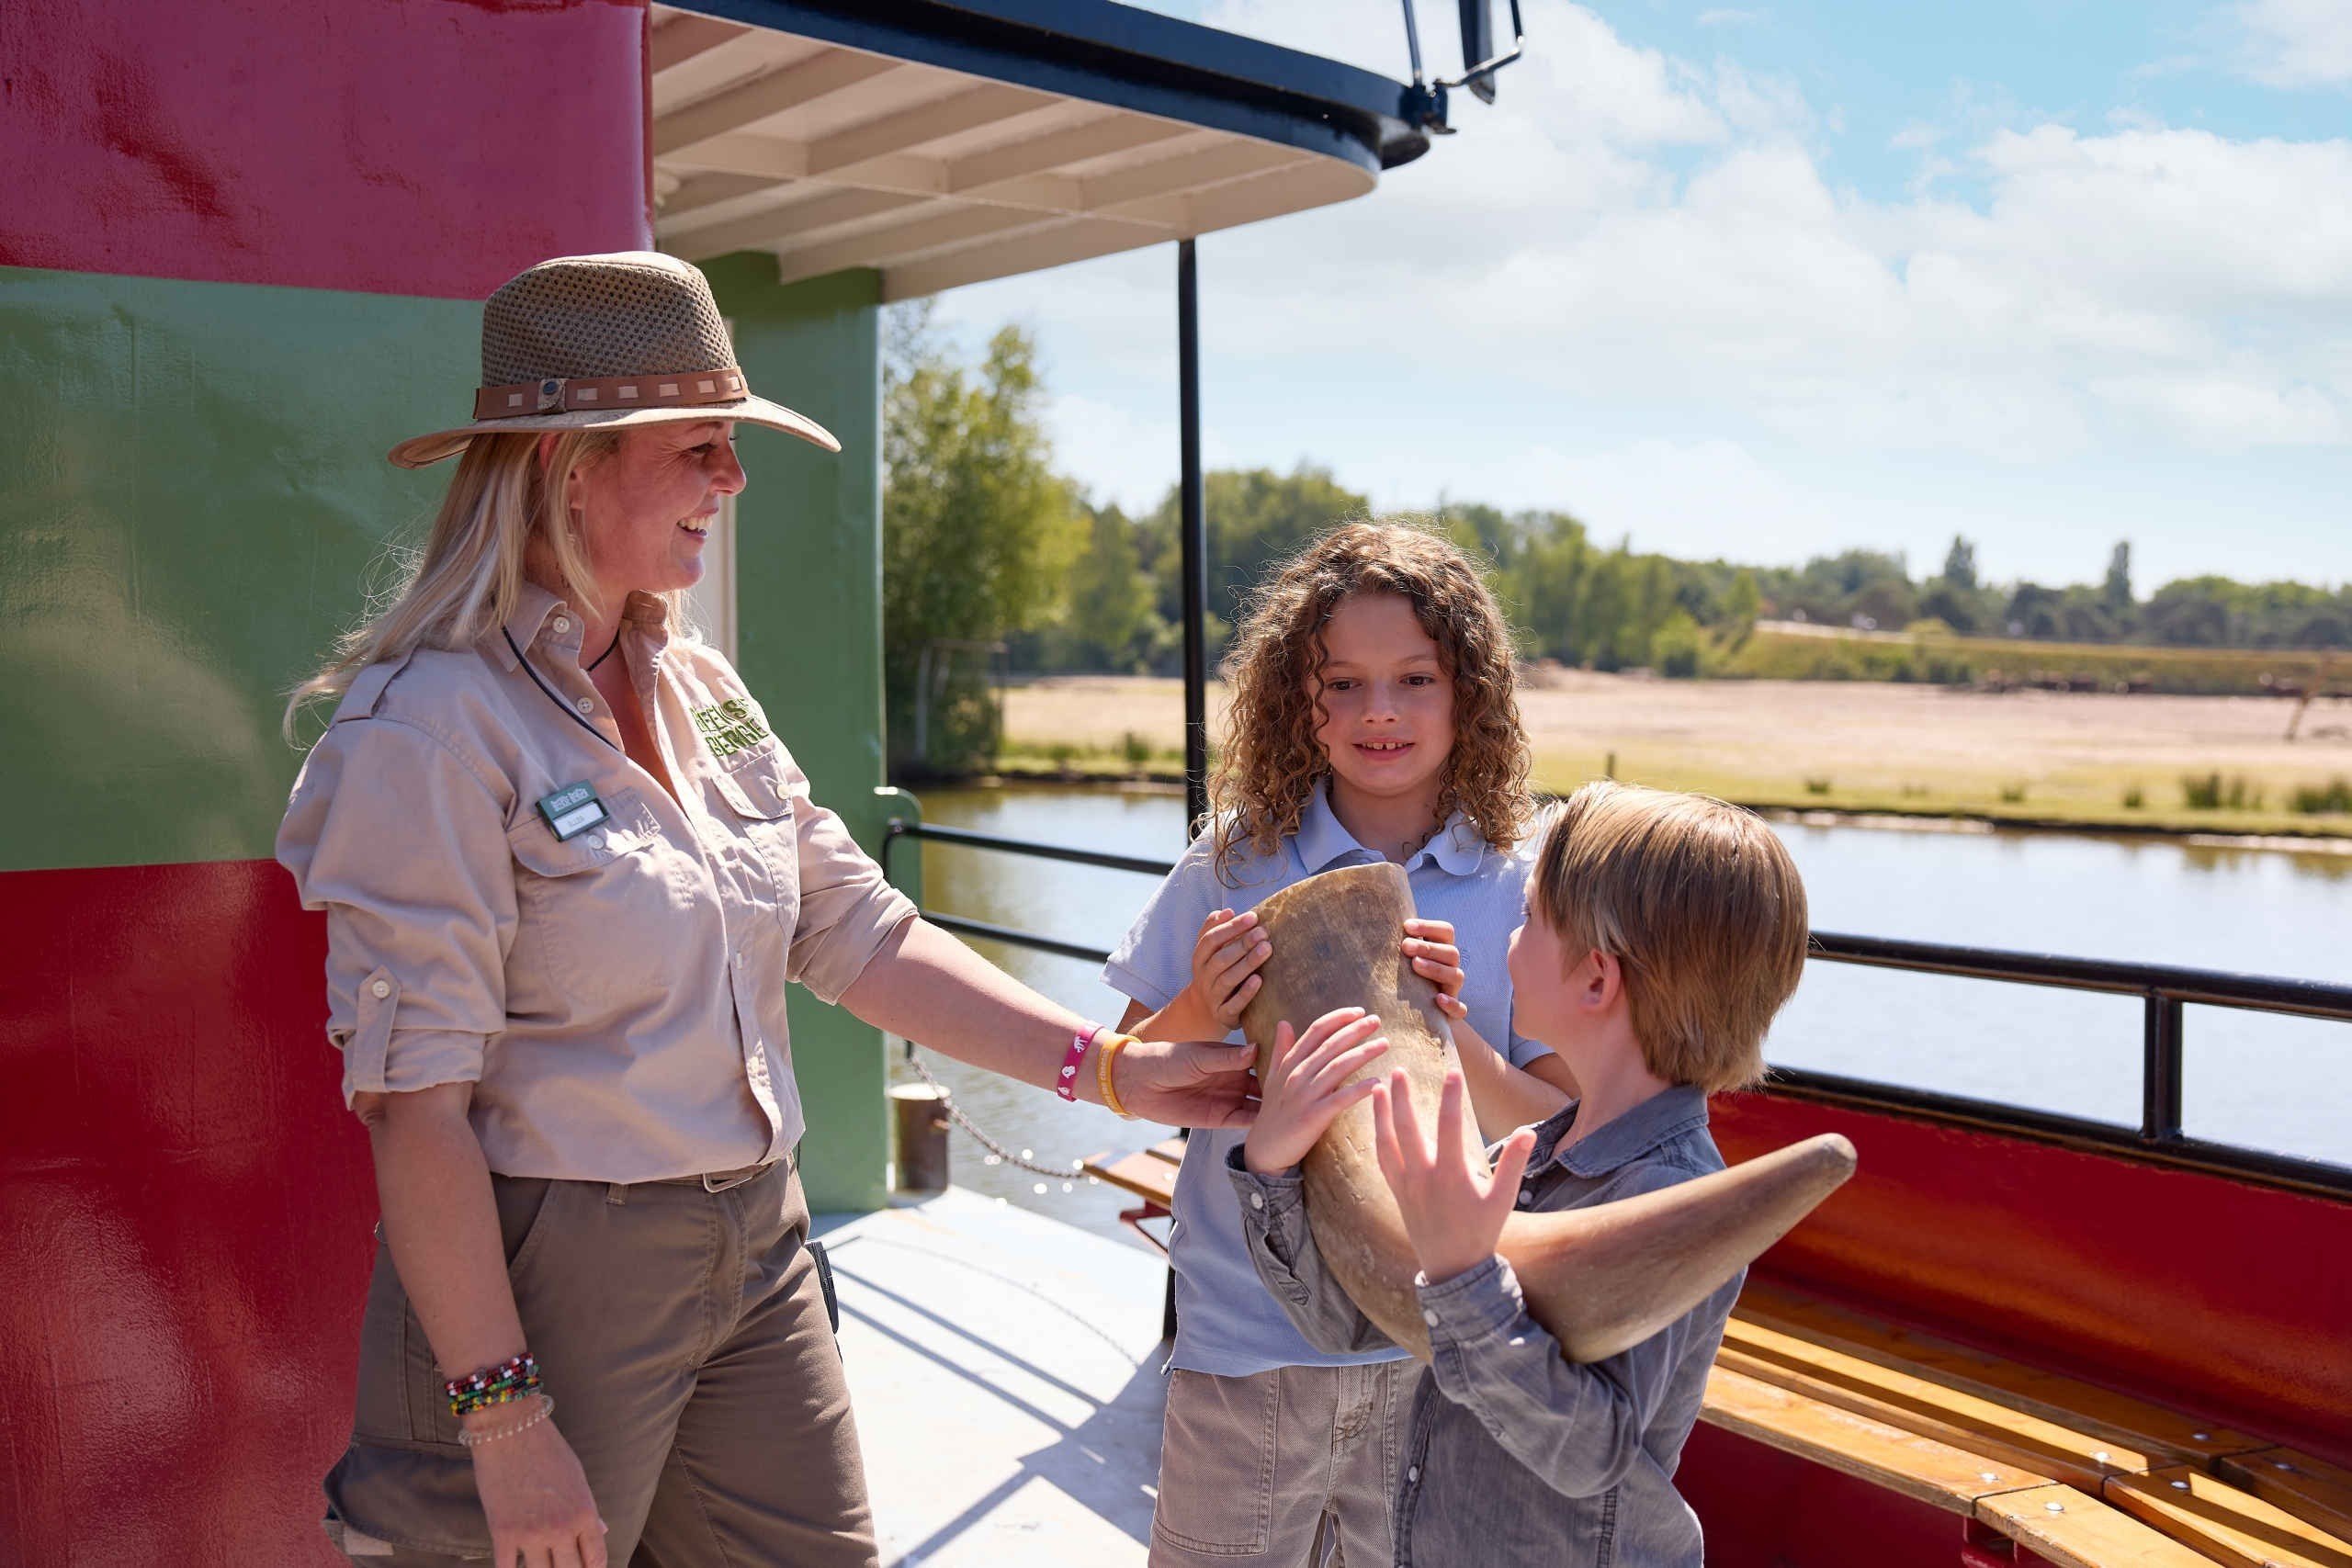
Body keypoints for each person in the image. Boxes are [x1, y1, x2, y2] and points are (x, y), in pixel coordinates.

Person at [275, 251, 1258, 1568]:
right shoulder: (435, 728)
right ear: (573, 468)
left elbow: (858, 929)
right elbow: (418, 1105)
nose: (730, 480)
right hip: (549, 1268)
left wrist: (1112, 1067)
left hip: (759, 1242)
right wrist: (502, 1420)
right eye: (700, 447)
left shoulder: (703, 686)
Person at [1103, 522, 1572, 1565]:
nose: (1380, 713)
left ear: (1470, 694)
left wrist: (1454, 1036)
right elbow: (1124, 1070)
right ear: (1294, 698)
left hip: (1441, 1360)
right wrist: (1194, 1008)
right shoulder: (1232, 863)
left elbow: (1560, 1126)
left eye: (1414, 678)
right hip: (1243, 1348)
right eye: (1344, 684)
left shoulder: (1520, 884)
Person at [1230, 781, 1811, 1566]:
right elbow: (1354, 1323)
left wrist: (1467, 1274)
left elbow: (1586, 1453)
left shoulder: (1664, 1194)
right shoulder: (1522, 1154)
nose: (1509, 932)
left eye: (1532, 917)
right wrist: (1273, 1164)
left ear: (1597, 981)